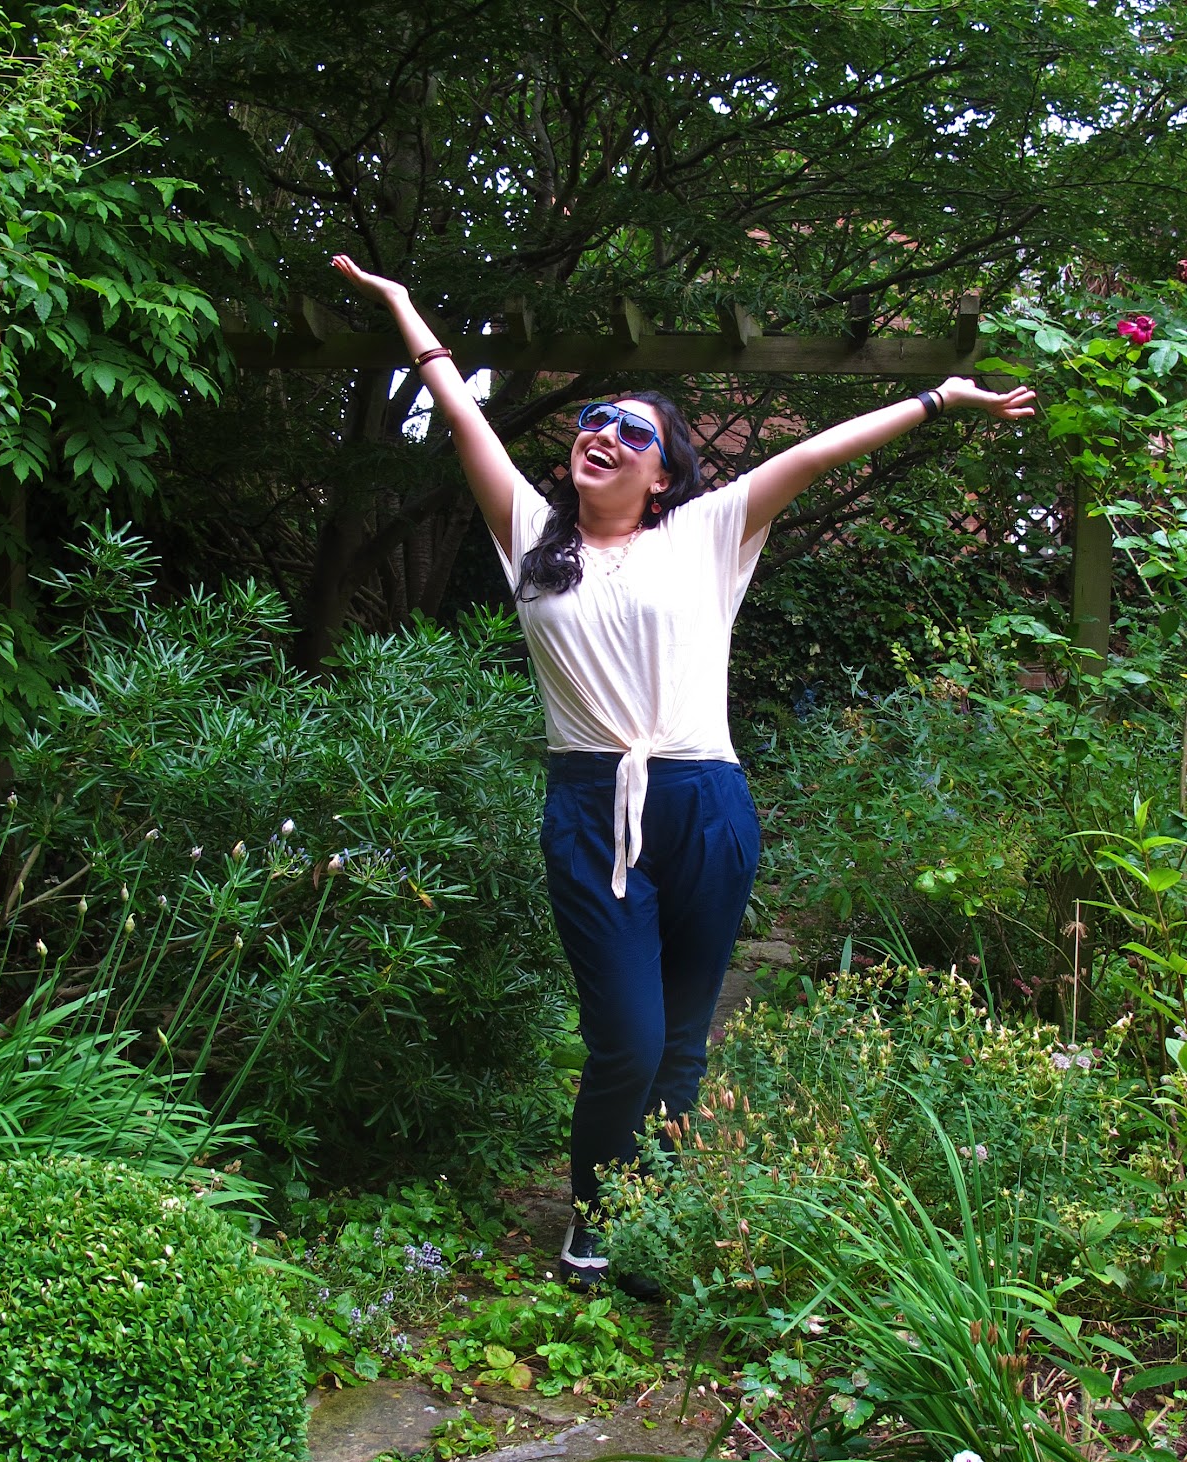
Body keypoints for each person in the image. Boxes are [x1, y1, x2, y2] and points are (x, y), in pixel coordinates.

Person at [330, 254, 1036, 1295]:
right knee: (628, 1035)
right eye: (594, 421)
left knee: (684, 1042)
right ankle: (592, 1225)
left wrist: (938, 398)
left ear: (663, 475)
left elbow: (815, 453)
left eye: (633, 431)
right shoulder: (530, 535)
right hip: (590, 807)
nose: (603, 434)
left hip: (705, 801)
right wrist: (402, 307)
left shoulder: (708, 533)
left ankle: (655, 1224)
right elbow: (462, 413)